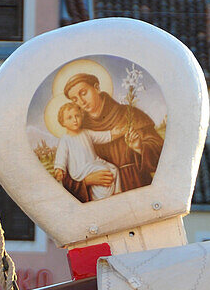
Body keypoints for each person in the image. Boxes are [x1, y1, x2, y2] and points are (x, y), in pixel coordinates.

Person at [62, 72, 164, 200]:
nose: (81, 102)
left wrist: (140, 147)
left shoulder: (129, 115)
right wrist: (86, 181)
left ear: (97, 88)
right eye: (75, 99)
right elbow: (65, 178)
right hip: (101, 195)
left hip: (137, 188)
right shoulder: (79, 131)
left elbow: (161, 152)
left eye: (83, 93)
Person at [52, 102, 122, 201]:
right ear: (63, 122)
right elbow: (61, 156)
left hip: (93, 163)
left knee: (114, 169)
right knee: (104, 172)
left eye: (77, 116)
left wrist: (113, 133)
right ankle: (101, 197)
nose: (75, 120)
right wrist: (59, 169)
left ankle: (118, 193)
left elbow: (102, 137)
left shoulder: (86, 133)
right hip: (81, 169)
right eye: (70, 118)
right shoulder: (65, 139)